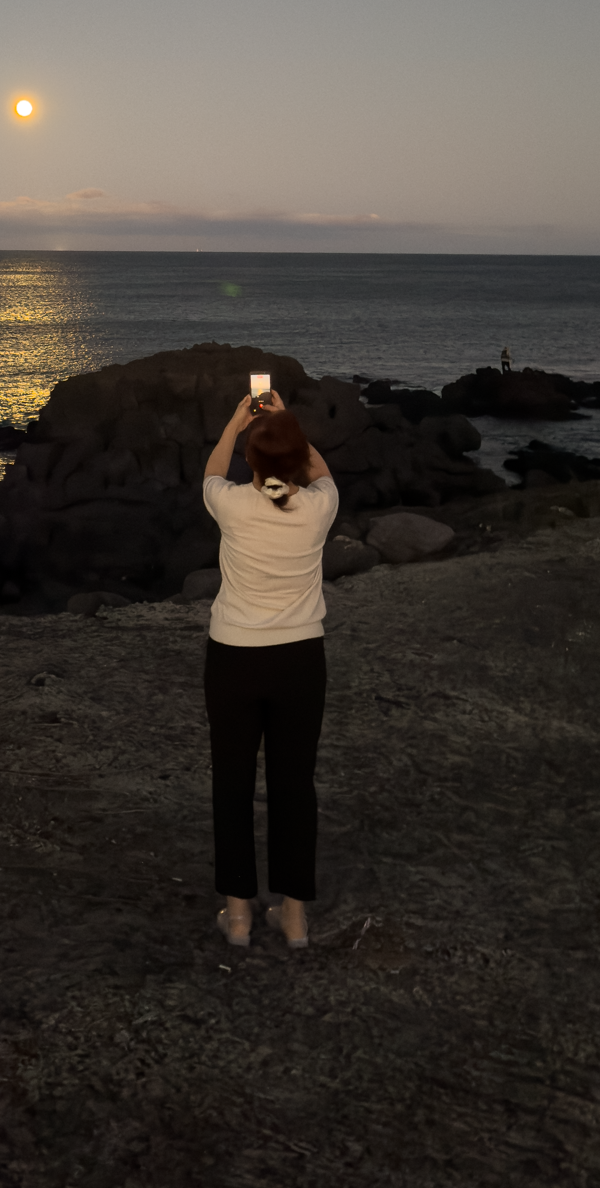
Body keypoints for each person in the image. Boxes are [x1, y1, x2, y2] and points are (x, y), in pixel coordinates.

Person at [200, 391, 338, 950]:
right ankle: (295, 917)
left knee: (232, 782)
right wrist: (286, 427)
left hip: (234, 656)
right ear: (298, 457)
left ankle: (238, 916)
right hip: (299, 660)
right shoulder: (320, 507)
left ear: (252, 462)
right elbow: (317, 472)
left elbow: (212, 472)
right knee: (294, 784)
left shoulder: (233, 504)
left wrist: (238, 423)